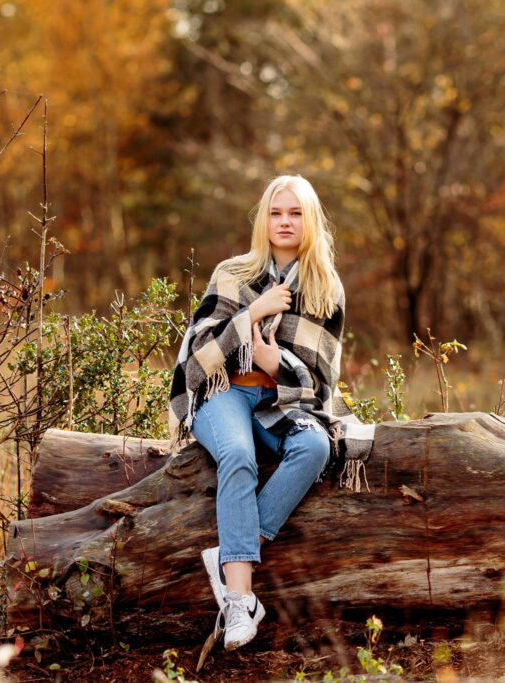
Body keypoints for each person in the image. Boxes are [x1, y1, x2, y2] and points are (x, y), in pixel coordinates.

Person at [167, 175, 375, 652]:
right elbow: (198, 356)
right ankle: (240, 602)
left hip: (279, 402)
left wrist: (273, 362)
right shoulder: (233, 272)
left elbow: (323, 381)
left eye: (296, 214)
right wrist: (253, 313)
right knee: (236, 455)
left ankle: (233, 554)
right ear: (264, 219)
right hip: (222, 395)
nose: (285, 222)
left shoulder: (326, 289)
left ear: (310, 222)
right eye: (277, 213)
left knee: (315, 445)